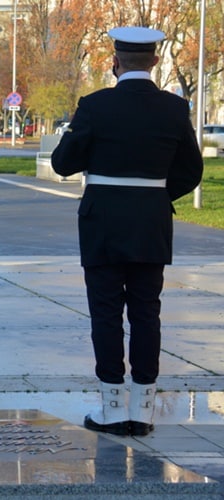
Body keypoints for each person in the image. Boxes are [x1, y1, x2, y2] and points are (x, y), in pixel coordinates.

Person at [51, 27, 203, 437]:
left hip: (102, 221)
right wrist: (153, 195)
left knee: (105, 312)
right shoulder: (174, 108)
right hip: (151, 222)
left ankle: (112, 407)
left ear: (114, 62)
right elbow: (192, 171)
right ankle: (144, 408)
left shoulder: (95, 105)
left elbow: (63, 163)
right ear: (155, 62)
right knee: (146, 313)